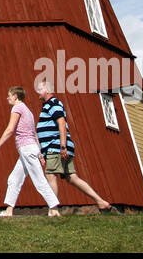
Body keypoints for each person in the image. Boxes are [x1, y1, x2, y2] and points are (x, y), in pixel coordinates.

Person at [34, 76, 111, 211]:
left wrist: (62, 146)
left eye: (40, 89)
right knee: (72, 178)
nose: (38, 92)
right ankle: (101, 202)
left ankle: (53, 210)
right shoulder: (49, 105)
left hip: (56, 146)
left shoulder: (53, 103)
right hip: (58, 146)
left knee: (51, 175)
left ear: (47, 90)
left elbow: (61, 123)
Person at [0, 85, 60, 217]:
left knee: (39, 180)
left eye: (9, 95)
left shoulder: (17, 108)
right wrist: (40, 153)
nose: (7, 98)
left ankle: (55, 209)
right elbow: (34, 134)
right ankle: (9, 210)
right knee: (14, 179)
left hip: (26, 149)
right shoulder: (28, 111)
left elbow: (10, 129)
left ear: (15, 96)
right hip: (30, 149)